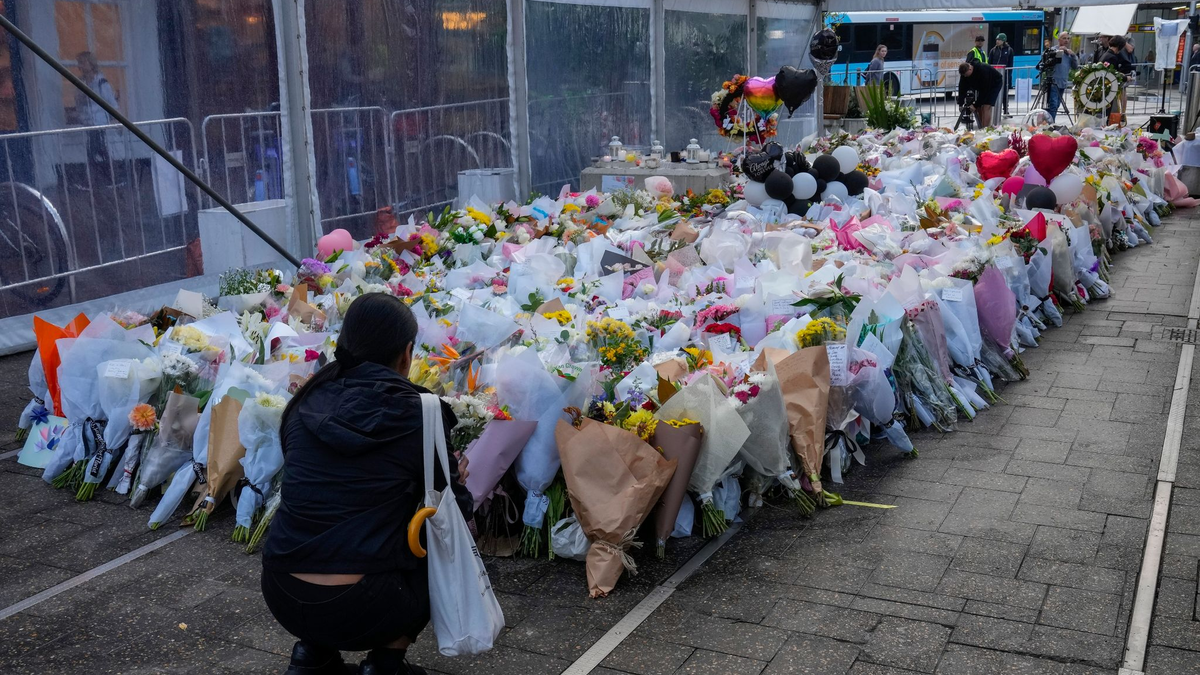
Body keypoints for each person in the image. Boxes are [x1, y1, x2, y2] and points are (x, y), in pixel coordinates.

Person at [262, 293, 474, 675]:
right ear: (407, 354)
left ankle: (312, 655)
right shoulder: (420, 412)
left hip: (282, 590)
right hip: (369, 603)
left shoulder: (306, 401)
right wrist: (456, 477)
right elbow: (454, 511)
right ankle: (386, 664)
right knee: (435, 538)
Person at [74, 52, 119, 183]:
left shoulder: (101, 83)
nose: (80, 66)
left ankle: (93, 180)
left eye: (83, 63)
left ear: (91, 64)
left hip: (99, 122)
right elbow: (79, 102)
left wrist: (117, 120)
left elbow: (112, 103)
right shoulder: (81, 82)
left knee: (93, 150)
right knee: (99, 150)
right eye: (79, 63)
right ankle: (110, 177)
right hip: (87, 122)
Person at [1045, 32, 1079, 123]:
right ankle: (1051, 124)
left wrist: (1073, 55)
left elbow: (1075, 66)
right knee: (1053, 104)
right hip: (1053, 82)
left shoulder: (1069, 53)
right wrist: (1057, 52)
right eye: (1064, 38)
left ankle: (1050, 121)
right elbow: (1045, 61)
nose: (1066, 40)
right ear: (1059, 40)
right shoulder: (1053, 50)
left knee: (1057, 105)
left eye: (1068, 38)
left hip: (1063, 82)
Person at [958, 60, 1002, 128]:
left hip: (993, 83)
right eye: (964, 75)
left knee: (986, 106)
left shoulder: (982, 70)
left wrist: (975, 105)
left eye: (966, 75)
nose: (965, 77)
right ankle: (981, 126)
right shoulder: (964, 74)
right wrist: (960, 103)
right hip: (980, 86)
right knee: (978, 107)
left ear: (970, 69)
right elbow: (962, 88)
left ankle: (985, 129)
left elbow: (985, 91)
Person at [1102, 35, 1134, 122]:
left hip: (1104, 87)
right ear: (1119, 47)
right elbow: (1112, 74)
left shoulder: (1106, 55)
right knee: (1106, 112)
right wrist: (1125, 77)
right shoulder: (1112, 57)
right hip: (1107, 89)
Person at [989, 33, 1015, 115]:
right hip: (995, 75)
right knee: (994, 92)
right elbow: (990, 63)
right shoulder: (993, 50)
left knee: (1004, 94)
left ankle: (1005, 110)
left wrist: (1009, 75)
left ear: (1003, 41)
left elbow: (1010, 64)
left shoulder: (1009, 50)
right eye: (997, 40)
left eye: (999, 40)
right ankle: (993, 109)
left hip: (1005, 75)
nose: (997, 41)